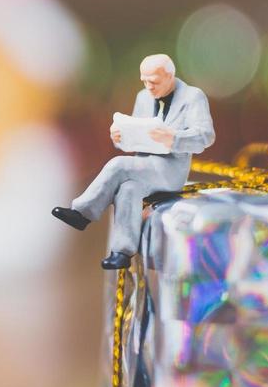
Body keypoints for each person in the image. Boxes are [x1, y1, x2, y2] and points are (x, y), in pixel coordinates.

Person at [51, 54, 214, 269]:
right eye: (144, 81)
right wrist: (119, 138)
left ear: (170, 76)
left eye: (154, 82)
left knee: (118, 165)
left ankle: (83, 212)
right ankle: (122, 252)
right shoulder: (143, 97)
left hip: (169, 170)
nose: (149, 87)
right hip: (142, 167)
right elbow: (136, 137)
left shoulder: (193, 97)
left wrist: (173, 138)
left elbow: (205, 136)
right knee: (128, 190)